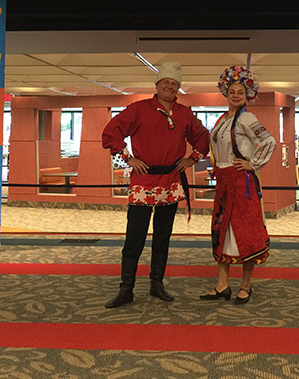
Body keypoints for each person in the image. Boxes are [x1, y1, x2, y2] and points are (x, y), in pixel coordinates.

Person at [102, 61, 210, 308]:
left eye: (174, 84)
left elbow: (203, 138)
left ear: (177, 88)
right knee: (134, 237)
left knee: (163, 237)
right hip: (143, 180)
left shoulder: (184, 114)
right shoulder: (138, 109)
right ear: (157, 86)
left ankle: (156, 284)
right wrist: (128, 157)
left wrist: (192, 157)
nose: (170, 87)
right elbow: (111, 132)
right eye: (166, 83)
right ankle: (126, 288)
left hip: (171, 181)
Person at [200, 66, 276, 304]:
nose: (235, 95)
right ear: (225, 92)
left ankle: (245, 286)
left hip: (241, 182)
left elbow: (268, 141)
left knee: (245, 232)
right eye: (231, 91)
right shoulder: (223, 118)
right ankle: (222, 285)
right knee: (222, 230)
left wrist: (252, 164)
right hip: (224, 181)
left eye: (240, 92)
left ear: (247, 95)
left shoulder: (246, 117)